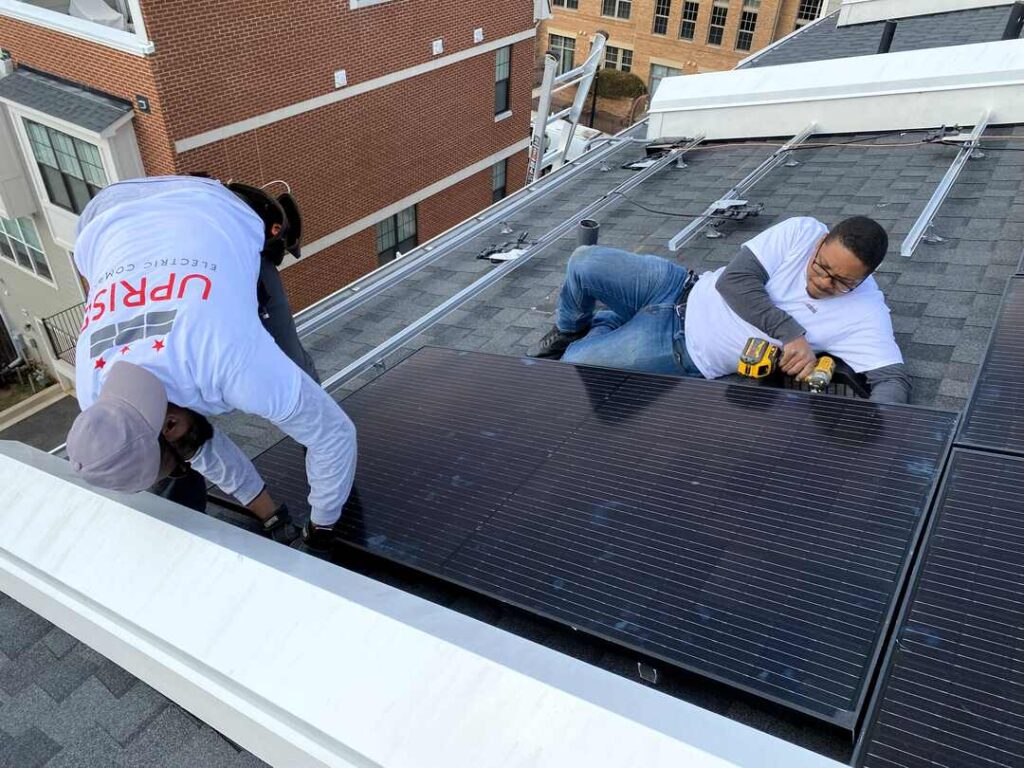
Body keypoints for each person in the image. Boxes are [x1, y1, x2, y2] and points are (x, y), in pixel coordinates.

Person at [65, 176, 357, 554]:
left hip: (209, 206)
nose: (187, 450)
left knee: (294, 369)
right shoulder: (97, 405)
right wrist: (270, 516)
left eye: (175, 440)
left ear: (168, 425)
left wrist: (322, 527)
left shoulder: (231, 360)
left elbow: (334, 434)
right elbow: (198, 446)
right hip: (110, 221)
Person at [529, 216, 911, 404]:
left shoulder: (866, 313)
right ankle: (571, 325)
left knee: (573, 363)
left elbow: (893, 380)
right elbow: (736, 281)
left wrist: (870, 428)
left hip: (682, 349)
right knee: (585, 261)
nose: (825, 282)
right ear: (821, 243)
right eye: (822, 267)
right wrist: (791, 334)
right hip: (679, 286)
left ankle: (608, 324)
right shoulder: (801, 231)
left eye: (843, 282)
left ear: (865, 280)